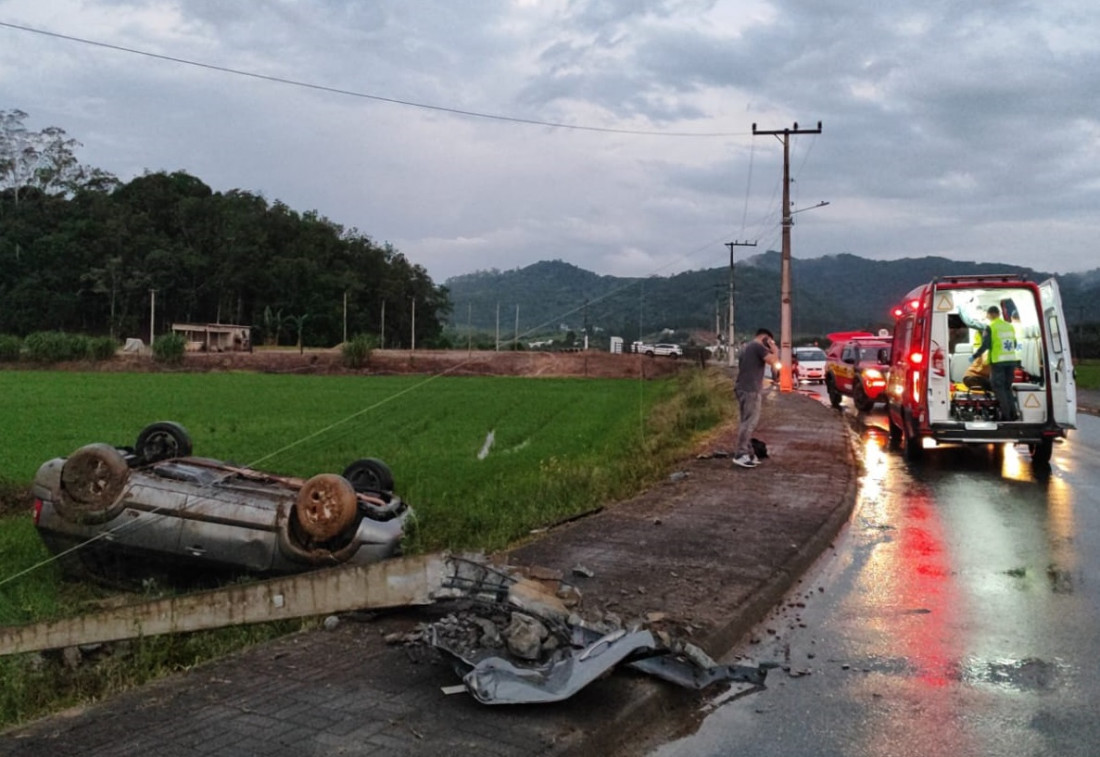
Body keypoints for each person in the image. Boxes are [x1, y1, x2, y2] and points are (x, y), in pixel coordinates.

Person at [733, 328, 780, 468]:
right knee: (749, 423)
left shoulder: (747, 347)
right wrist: (775, 349)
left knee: (746, 422)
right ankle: (741, 454)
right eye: (770, 341)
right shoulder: (757, 347)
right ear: (766, 338)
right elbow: (773, 360)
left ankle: (749, 453)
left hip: (743, 387)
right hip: (750, 389)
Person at [971, 305, 1020, 421]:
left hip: (998, 362)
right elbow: (1014, 343)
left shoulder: (990, 327)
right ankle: (1014, 415)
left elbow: (986, 345)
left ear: (990, 314)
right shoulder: (1009, 326)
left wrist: (975, 356)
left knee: (998, 388)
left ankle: (1006, 417)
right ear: (999, 313)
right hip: (1011, 361)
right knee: (1007, 388)